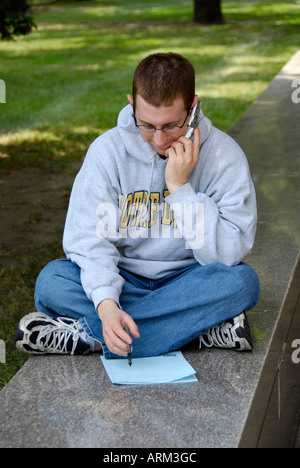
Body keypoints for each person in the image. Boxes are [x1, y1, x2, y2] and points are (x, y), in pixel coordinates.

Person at [15, 52, 260, 359]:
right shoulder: (107, 152)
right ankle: (193, 332)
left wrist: (180, 189)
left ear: (193, 108)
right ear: (131, 105)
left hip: (189, 282)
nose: (159, 140)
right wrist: (107, 307)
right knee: (52, 281)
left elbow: (226, 255)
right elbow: (88, 241)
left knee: (240, 283)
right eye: (146, 125)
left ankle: (88, 339)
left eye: (171, 125)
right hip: (124, 280)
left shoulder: (225, 156)